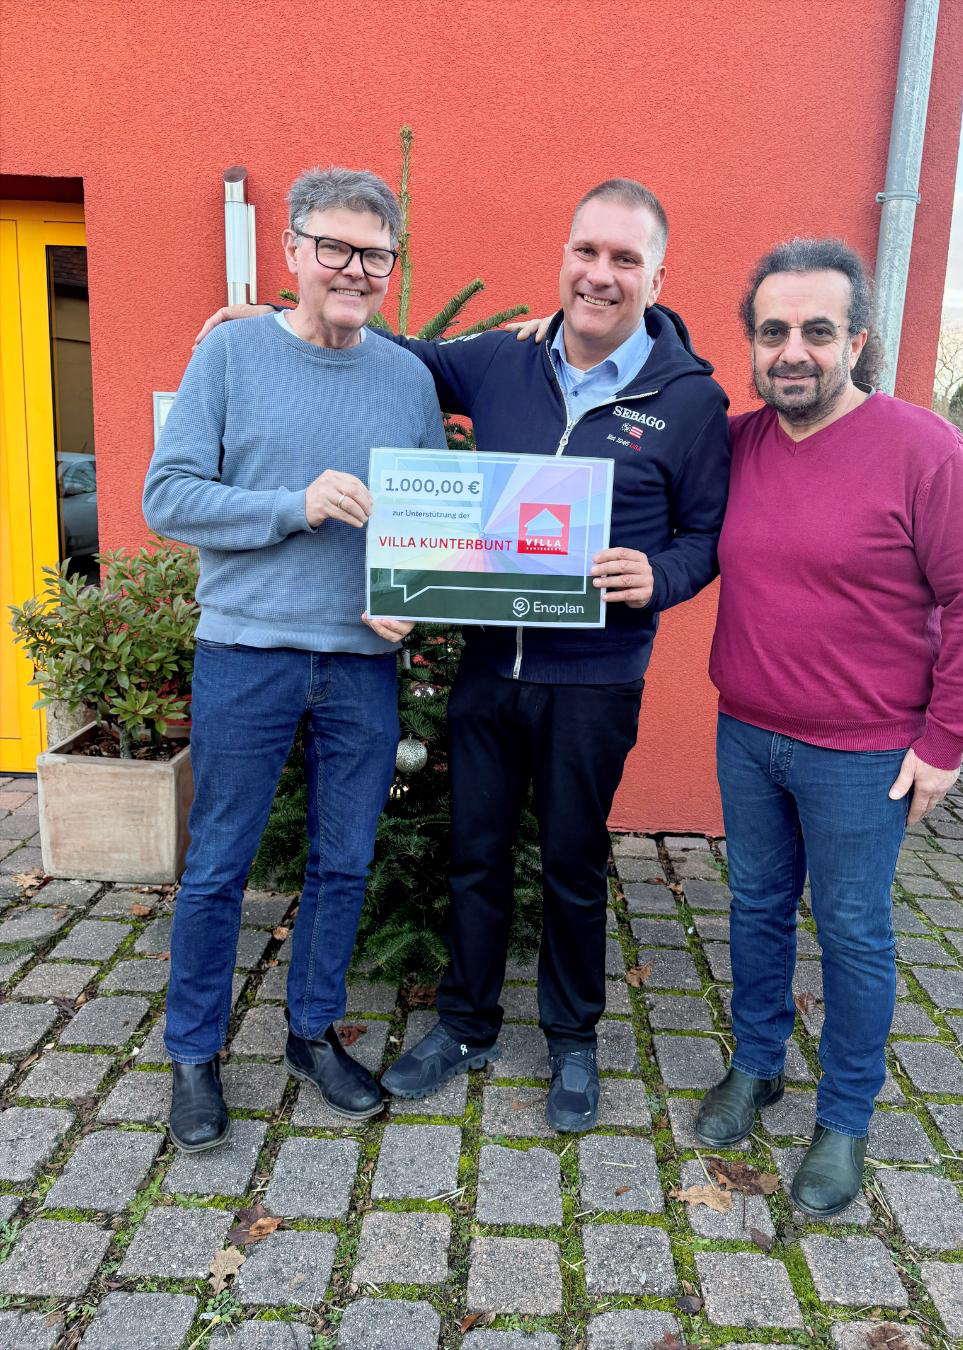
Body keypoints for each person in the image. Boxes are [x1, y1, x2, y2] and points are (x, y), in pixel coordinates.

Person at [199, 179, 731, 1132]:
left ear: (658, 276)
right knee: (475, 855)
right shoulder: (502, 359)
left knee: (572, 863)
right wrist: (275, 320)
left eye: (625, 259)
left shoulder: (690, 400)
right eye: (586, 252)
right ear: (564, 257)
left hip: (595, 679)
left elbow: (706, 536)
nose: (600, 274)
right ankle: (466, 1026)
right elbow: (397, 352)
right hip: (491, 670)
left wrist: (662, 575)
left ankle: (571, 1038)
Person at [694, 237, 963, 1215]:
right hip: (747, 731)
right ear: (753, 344)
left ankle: (844, 1117)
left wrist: (947, 744)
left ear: (857, 340)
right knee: (754, 906)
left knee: (853, 931)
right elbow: (648, 418)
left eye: (817, 331)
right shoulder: (738, 443)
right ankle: (758, 1064)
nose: (794, 351)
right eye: (773, 332)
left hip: (866, 753)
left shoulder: (925, 451)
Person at [144, 167, 446, 1151]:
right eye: (335, 248)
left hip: (361, 665)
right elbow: (167, 497)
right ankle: (194, 1053)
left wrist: (414, 599)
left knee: (344, 862)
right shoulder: (231, 355)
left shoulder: (407, 379)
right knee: (217, 866)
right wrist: (294, 506)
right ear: (293, 251)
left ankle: (313, 1035)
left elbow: (428, 522)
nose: (355, 269)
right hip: (246, 654)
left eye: (375, 254)